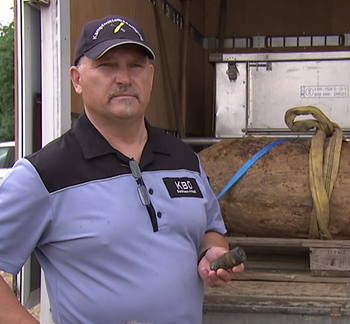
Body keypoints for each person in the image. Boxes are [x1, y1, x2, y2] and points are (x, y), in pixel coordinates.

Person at [0, 14, 243, 324]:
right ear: (76, 79)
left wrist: (210, 253)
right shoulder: (46, 174)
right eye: (107, 65)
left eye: (135, 66)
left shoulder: (185, 160)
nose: (124, 78)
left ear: (151, 76)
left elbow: (211, 230)